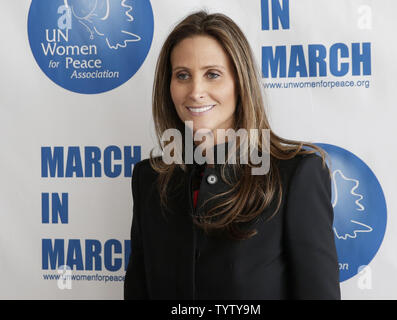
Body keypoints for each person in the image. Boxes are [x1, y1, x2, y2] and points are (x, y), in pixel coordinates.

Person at [124, 10, 340, 300]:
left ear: (241, 83)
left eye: (212, 75)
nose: (196, 91)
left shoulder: (296, 175)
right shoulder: (149, 179)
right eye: (182, 75)